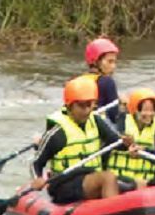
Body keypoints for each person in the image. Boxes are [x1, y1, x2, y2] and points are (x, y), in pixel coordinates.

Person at [31, 74, 123, 203]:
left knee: (131, 183)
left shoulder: (96, 121)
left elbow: (116, 142)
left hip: (89, 177)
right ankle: (113, 213)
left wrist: (128, 144)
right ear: (69, 106)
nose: (86, 110)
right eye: (81, 106)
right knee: (108, 177)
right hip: (64, 184)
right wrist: (38, 178)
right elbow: (36, 163)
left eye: (89, 105)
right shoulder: (58, 132)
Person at [108, 86, 155, 186]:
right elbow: (110, 145)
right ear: (135, 110)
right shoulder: (122, 122)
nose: (149, 114)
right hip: (119, 180)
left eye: (152, 110)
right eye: (145, 110)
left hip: (144, 183)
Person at [85, 37, 122, 130]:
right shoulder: (108, 82)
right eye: (110, 61)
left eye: (114, 62)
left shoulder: (79, 81)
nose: (113, 66)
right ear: (96, 62)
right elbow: (114, 116)